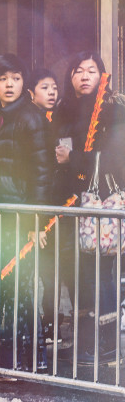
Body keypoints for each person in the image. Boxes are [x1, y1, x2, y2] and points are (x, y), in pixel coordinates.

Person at [0, 53, 54, 374]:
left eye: (16, 78)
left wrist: (37, 222)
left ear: (23, 82)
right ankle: (18, 361)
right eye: (3, 79)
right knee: (5, 289)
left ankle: (23, 361)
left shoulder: (30, 118)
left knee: (20, 290)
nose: (9, 85)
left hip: (20, 218)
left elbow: (43, 173)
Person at [55, 51, 125, 363]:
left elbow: (117, 159)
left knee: (103, 272)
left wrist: (75, 161)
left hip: (103, 202)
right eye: (78, 70)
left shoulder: (114, 110)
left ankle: (108, 347)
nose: (84, 76)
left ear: (102, 75)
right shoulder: (65, 111)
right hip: (74, 203)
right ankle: (85, 344)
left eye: (91, 70)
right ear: (70, 77)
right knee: (80, 274)